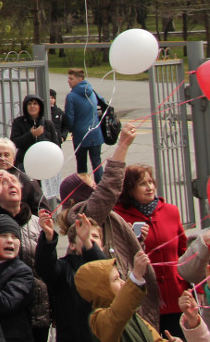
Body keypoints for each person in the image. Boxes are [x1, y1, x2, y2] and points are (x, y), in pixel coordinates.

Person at [56, 122, 161, 330]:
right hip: (117, 308)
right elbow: (109, 188)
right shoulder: (86, 215)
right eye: (91, 186)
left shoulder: (101, 218)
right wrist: (122, 145)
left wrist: (133, 239)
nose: (96, 186)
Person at [113, 164, 191, 338]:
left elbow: (183, 251)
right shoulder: (119, 217)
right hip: (144, 300)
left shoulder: (171, 211)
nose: (149, 187)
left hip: (176, 296)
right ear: (129, 190)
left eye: (151, 182)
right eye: (142, 184)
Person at [75, 251, 210, 342]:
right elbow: (117, 315)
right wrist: (136, 277)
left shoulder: (131, 315)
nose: (123, 282)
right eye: (116, 279)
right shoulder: (97, 319)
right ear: (100, 288)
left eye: (121, 277)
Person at [36, 210, 104, 342]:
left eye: (95, 236)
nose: (89, 238)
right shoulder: (63, 268)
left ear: (102, 245)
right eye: (83, 236)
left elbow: (103, 270)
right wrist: (48, 237)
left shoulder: (108, 267)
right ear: (72, 245)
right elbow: (45, 267)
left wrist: (87, 243)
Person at [63, 68, 105, 183]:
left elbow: (69, 117)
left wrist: (70, 129)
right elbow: (102, 104)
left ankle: (84, 187)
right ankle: (100, 187)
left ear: (79, 79)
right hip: (95, 133)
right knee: (97, 163)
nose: (68, 81)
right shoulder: (92, 91)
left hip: (80, 135)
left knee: (81, 165)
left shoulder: (71, 96)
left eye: (71, 79)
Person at [10, 94, 60, 168]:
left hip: (46, 164)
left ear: (40, 107)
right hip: (25, 163)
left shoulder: (48, 124)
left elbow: (56, 145)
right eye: (29, 104)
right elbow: (14, 143)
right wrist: (31, 135)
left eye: (35, 103)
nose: (32, 106)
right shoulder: (18, 122)